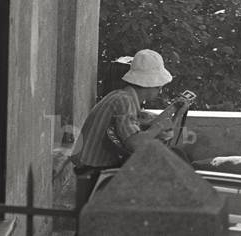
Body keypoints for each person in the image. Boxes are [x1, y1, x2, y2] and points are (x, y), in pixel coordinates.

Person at [69, 49, 188, 211]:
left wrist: (174, 111)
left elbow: (145, 129)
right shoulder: (124, 101)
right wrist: (160, 127)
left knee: (173, 156)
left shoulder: (123, 97)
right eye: (159, 86)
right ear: (149, 84)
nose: (160, 90)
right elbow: (136, 144)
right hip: (94, 170)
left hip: (96, 166)